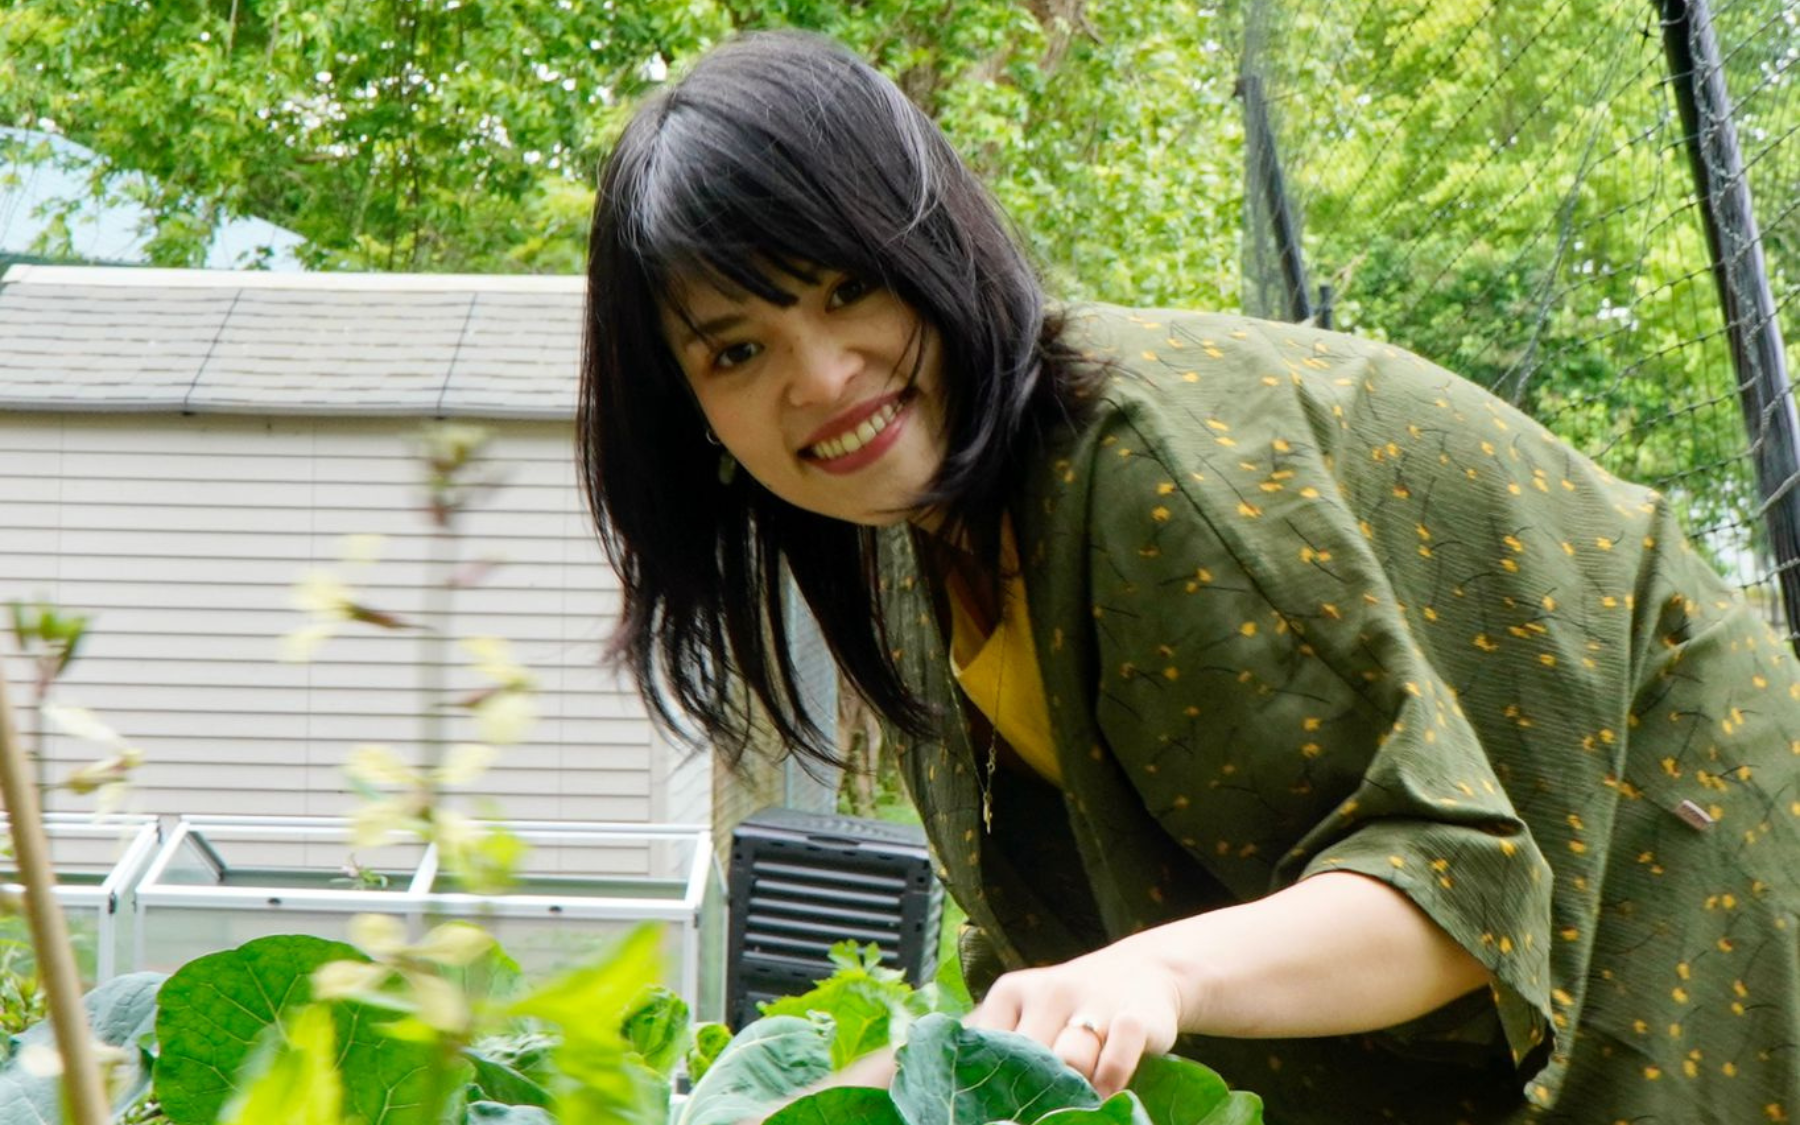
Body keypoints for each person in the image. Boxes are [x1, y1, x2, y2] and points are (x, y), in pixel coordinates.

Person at [577, 28, 1800, 1124]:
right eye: (738, 348)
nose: (823, 374)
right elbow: (1046, 994)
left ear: (932, 241)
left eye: (849, 288)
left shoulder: (1143, 472)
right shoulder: (916, 548)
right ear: (689, 417)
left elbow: (1456, 890)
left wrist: (1155, 972)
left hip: (1678, 845)